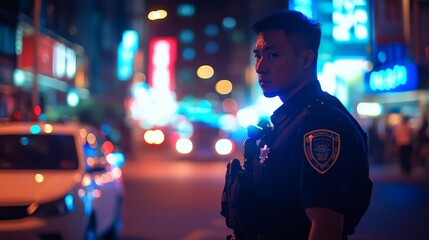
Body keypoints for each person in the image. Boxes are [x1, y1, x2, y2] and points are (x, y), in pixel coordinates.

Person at [222, 10, 372, 240]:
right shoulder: (290, 119)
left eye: (272, 55)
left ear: (306, 59)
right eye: (258, 55)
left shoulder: (319, 125)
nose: (260, 67)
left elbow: (326, 228)